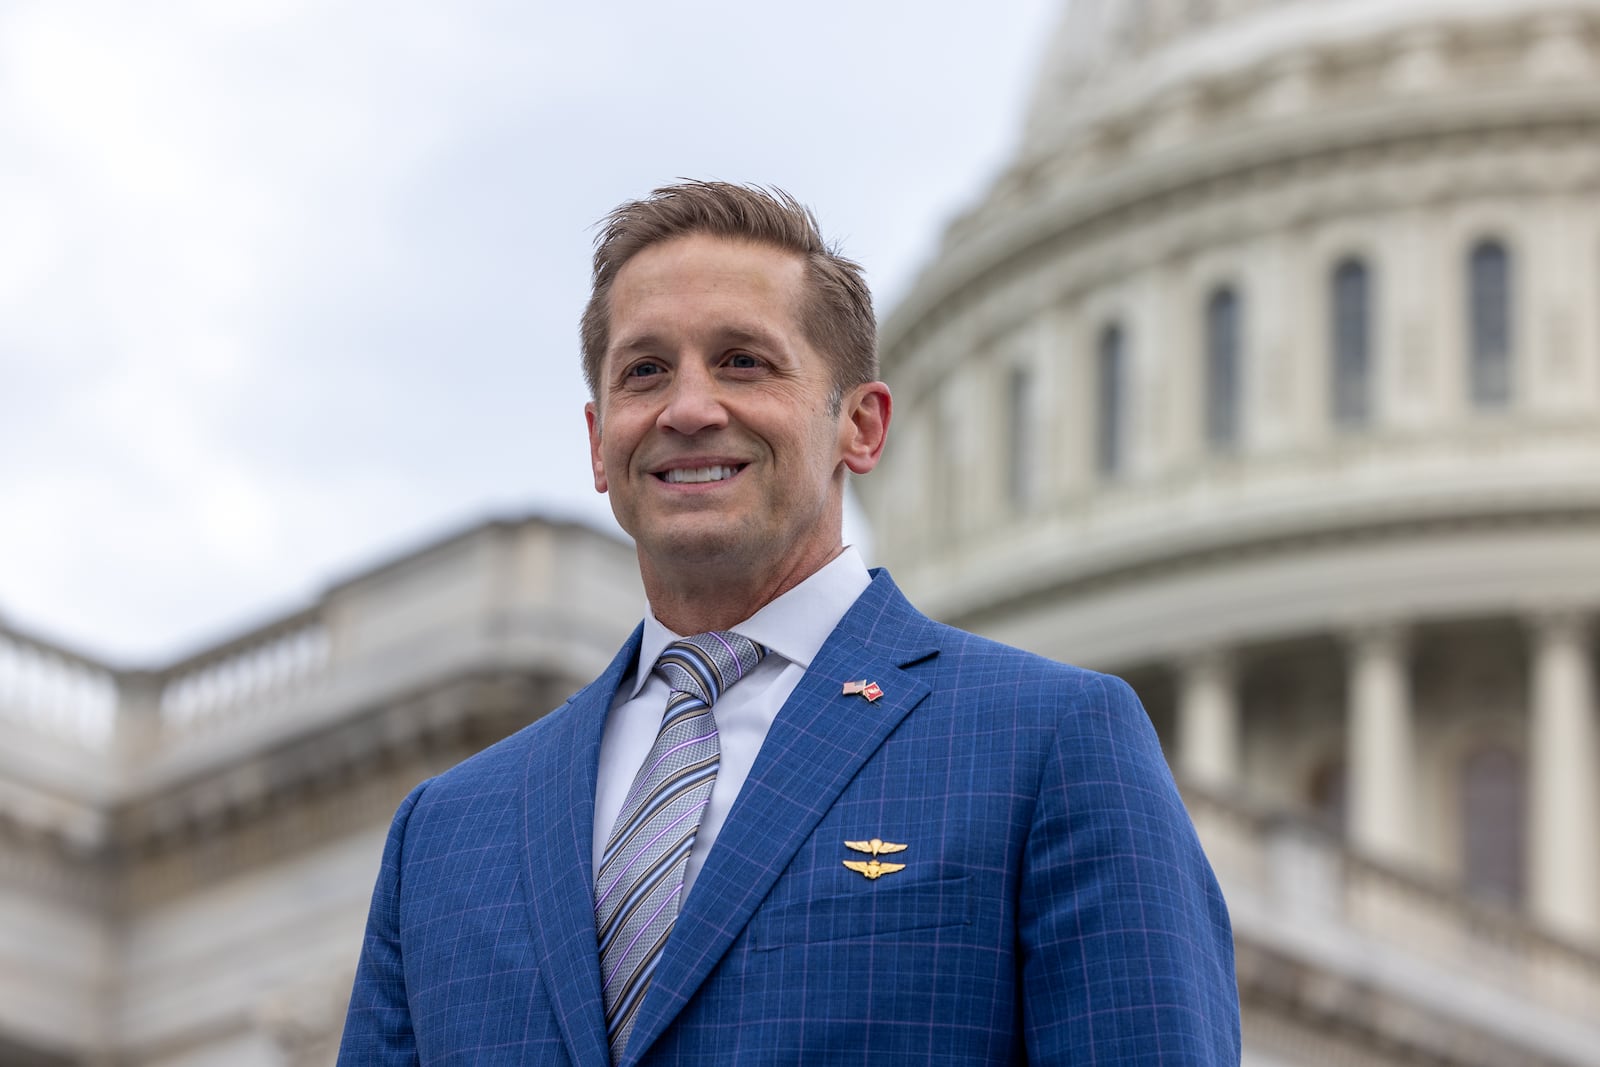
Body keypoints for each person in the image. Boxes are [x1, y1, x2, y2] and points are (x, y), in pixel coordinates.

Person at [337, 181, 1240, 1065]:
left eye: (743, 362)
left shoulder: (1047, 745)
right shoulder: (445, 831)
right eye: (645, 371)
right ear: (599, 441)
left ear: (862, 425)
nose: (689, 409)